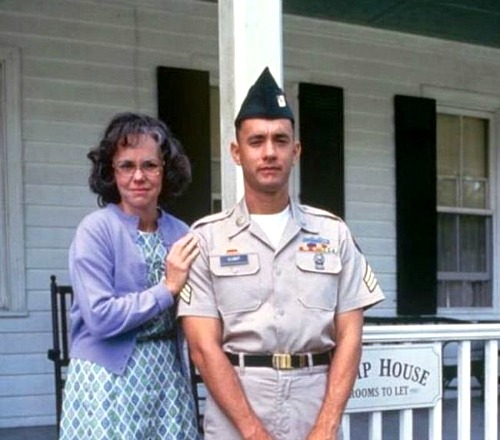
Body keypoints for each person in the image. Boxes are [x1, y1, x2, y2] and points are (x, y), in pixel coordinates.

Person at [177, 67, 385, 440]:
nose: (269, 152)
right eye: (256, 141)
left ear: (297, 150)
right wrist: (254, 433)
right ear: (236, 153)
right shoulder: (207, 239)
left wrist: (326, 426)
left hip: (313, 402)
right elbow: (203, 349)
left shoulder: (333, 233)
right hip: (236, 407)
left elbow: (351, 336)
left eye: (280, 140)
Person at [59, 112, 201, 439]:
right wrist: (167, 289)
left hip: (166, 378)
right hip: (107, 383)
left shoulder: (181, 233)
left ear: (166, 171)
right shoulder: (96, 231)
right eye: (126, 165)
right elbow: (100, 317)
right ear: (111, 172)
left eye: (150, 165)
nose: (139, 176)